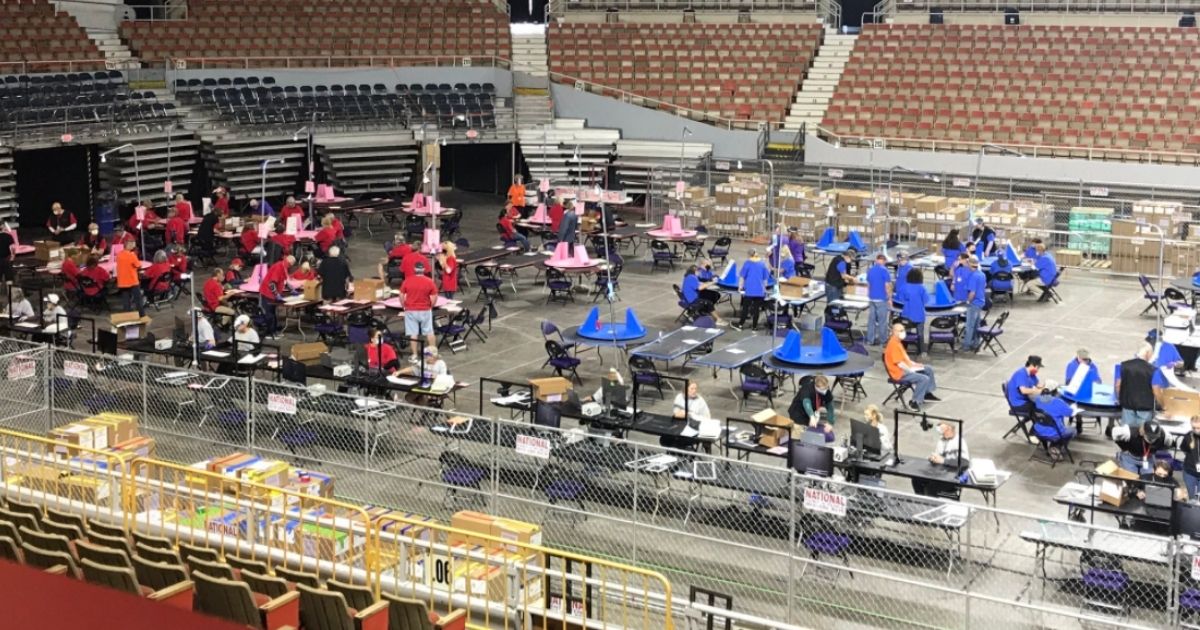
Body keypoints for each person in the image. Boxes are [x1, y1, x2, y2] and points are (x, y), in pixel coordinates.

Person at [884, 322, 939, 410]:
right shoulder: (893, 344)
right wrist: (911, 370)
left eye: (903, 330)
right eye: (901, 330)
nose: (903, 332)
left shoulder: (898, 342)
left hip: (906, 368)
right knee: (924, 378)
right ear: (894, 332)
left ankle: (927, 394)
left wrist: (915, 364)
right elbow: (899, 363)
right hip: (900, 373)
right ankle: (914, 402)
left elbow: (905, 359)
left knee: (928, 369)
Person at [912, 421, 970, 497]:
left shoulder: (959, 442)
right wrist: (933, 458)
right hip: (939, 474)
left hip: (952, 477)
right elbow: (939, 457)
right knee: (916, 479)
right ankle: (921, 501)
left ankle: (930, 504)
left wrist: (944, 461)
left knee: (931, 488)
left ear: (949, 429)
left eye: (943, 430)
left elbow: (965, 462)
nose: (941, 433)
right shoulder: (942, 440)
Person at [399, 261, 439, 363]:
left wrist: (404, 306)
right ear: (424, 270)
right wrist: (431, 306)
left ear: (414, 270)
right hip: (425, 309)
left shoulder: (407, 280)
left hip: (411, 310)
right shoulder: (429, 281)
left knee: (413, 333)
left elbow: (401, 295)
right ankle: (433, 353)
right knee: (429, 332)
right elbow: (434, 296)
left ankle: (415, 355)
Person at [1032, 380, 1079, 458]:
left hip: (1038, 430)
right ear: (1054, 391)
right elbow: (1070, 413)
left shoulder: (1037, 399)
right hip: (1054, 433)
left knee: (1056, 422)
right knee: (1073, 430)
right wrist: (1073, 407)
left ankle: (1050, 447)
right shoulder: (1058, 402)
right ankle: (1056, 447)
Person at [1116, 343, 1157, 429]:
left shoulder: (1124, 365)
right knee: (1143, 433)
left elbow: (1118, 385)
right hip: (1145, 408)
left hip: (1128, 406)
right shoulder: (1152, 369)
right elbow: (1155, 389)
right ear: (1147, 353)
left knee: (1126, 434)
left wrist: (1119, 399)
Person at [259, 254, 294, 337]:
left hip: (272, 294)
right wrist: (276, 294)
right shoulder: (279, 267)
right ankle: (270, 333)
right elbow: (272, 283)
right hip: (267, 293)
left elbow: (284, 280)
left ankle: (274, 330)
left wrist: (291, 289)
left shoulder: (284, 266)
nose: (290, 267)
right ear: (289, 262)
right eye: (291, 265)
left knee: (273, 312)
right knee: (269, 313)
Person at [736, 249, 770, 330]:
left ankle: (740, 325)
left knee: (745, 308)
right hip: (759, 292)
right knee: (756, 309)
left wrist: (740, 287)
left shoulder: (747, 263)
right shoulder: (762, 264)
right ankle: (754, 326)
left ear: (749, 255)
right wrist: (764, 288)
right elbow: (765, 279)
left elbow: (742, 277)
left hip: (749, 291)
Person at [898, 268, 927, 355]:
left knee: (905, 332)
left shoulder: (904, 287)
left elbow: (900, 299)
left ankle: (903, 350)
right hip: (919, 316)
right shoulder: (922, 288)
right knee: (920, 334)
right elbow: (926, 300)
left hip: (906, 316)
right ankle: (921, 351)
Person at [865, 253, 892, 346]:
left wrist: (869, 294)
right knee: (882, 321)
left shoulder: (870, 270)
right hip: (881, 299)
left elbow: (868, 284)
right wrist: (889, 298)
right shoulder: (885, 271)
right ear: (884, 261)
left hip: (872, 299)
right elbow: (887, 286)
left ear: (876, 260)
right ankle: (883, 341)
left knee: (871, 321)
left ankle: (869, 340)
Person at [961, 257, 987, 351]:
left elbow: (972, 293)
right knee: (976, 324)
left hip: (974, 303)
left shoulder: (973, 276)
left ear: (969, 264)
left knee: (969, 325)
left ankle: (966, 345)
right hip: (981, 302)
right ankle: (976, 343)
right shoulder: (982, 274)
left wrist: (968, 301)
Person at [115, 239, 144, 316]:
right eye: (133, 244)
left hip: (122, 282)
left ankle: (127, 316)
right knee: (138, 300)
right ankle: (141, 315)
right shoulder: (131, 255)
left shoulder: (119, 255)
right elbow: (138, 265)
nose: (134, 246)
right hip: (132, 281)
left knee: (126, 301)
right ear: (129, 245)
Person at [1180, 415, 1200, 499]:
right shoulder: (1188, 436)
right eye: (1194, 428)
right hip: (1190, 472)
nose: (1196, 430)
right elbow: (1183, 448)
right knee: (1192, 497)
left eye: (1198, 428)